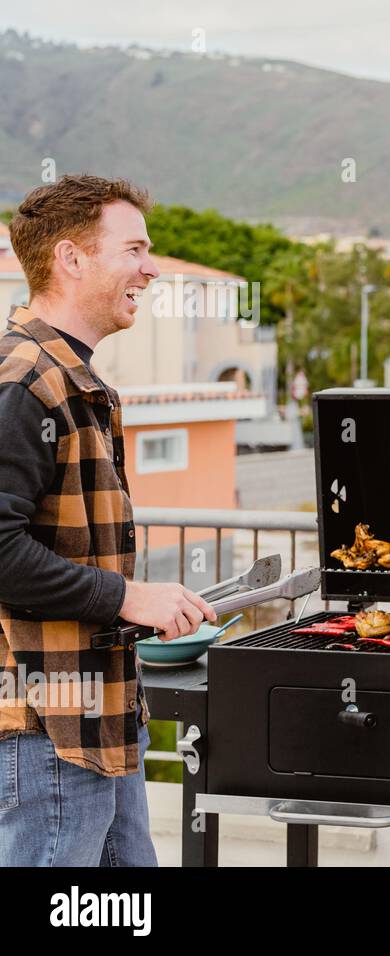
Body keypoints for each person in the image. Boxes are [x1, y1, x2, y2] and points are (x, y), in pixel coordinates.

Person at [0, 175, 217, 866]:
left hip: (98, 722)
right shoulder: (23, 381)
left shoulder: (73, 380)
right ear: (71, 258)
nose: (151, 269)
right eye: (134, 249)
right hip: (47, 729)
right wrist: (130, 597)